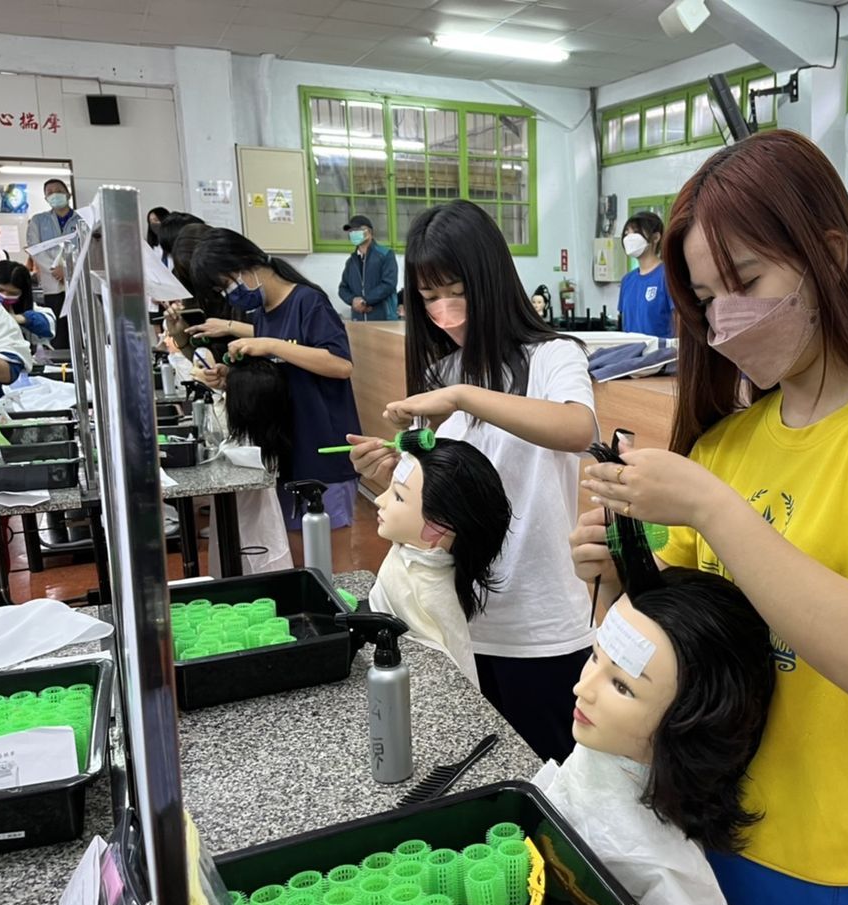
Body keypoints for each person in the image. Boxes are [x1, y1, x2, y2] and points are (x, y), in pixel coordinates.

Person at [570, 130, 848, 905]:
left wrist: (713, 509)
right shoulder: (728, 443)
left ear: (829, 256)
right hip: (704, 820)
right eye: (706, 297)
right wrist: (616, 577)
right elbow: (671, 651)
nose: (725, 319)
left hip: (830, 863)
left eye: (748, 282)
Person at [347, 199, 597, 762]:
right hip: (453, 621)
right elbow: (436, 496)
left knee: (551, 781)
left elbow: (577, 429)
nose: (443, 310)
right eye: (428, 297)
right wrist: (393, 472)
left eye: (455, 291)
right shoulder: (440, 373)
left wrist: (461, 397)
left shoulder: (552, 357)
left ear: (489, 280)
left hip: (540, 626)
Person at [540, 447, 774, 905]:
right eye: (595, 657)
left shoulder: (660, 872)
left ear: (690, 721)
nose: (582, 689)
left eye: (622, 686)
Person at [189, 228, 363, 534]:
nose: (228, 295)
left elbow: (340, 365)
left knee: (328, 556)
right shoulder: (262, 314)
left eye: (225, 285)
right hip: (287, 454)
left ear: (244, 264)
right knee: (296, 553)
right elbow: (275, 378)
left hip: (323, 451)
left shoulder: (308, 302)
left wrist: (272, 345)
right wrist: (229, 378)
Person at [369, 439, 512, 688]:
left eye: (398, 497)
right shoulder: (409, 550)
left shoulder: (428, 596)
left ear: (439, 527)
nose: (380, 499)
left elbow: (454, 679)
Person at [25, 178, 81, 349]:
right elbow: (35, 249)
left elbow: (88, 248)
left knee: (80, 329)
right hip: (53, 283)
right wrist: (55, 269)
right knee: (59, 333)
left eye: (58, 190)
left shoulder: (82, 219)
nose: (54, 194)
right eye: (50, 192)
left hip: (78, 283)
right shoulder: (38, 220)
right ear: (46, 198)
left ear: (68, 194)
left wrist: (69, 269)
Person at [617, 211, 674, 338]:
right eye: (626, 233)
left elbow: (680, 321)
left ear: (656, 237)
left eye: (636, 232)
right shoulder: (627, 281)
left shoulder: (668, 276)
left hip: (662, 349)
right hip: (632, 349)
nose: (629, 237)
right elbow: (624, 324)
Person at [337, 215, 398, 321]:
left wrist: (365, 300)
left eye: (357, 230)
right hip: (358, 318)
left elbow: (389, 284)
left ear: (369, 232)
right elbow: (343, 288)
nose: (353, 233)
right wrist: (353, 301)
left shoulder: (385, 255)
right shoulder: (351, 262)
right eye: (351, 231)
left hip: (383, 318)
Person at [0, 260, 56, 349]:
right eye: (0, 290)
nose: (5, 296)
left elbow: (48, 326)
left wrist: (23, 319)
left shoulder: (26, 309)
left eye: (13, 293)